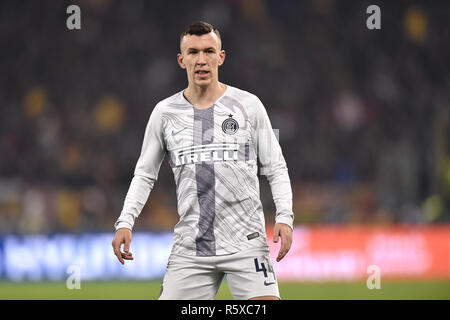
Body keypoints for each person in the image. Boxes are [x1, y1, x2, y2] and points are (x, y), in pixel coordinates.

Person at [112, 21, 294, 300]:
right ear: (181, 59)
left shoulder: (249, 106)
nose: (201, 60)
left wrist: (285, 216)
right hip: (191, 248)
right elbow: (145, 174)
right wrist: (125, 221)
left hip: (246, 243)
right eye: (193, 52)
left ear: (221, 57)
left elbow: (276, 167)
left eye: (209, 51)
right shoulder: (165, 113)